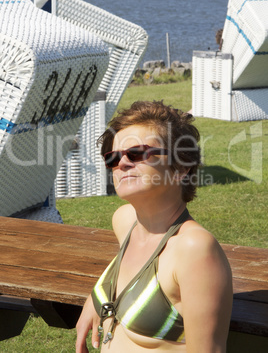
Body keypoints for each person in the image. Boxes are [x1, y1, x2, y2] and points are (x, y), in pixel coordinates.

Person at [76, 100, 233, 353]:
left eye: (136, 153)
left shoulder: (194, 250)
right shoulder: (125, 221)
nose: (123, 164)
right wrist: (96, 300)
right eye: (114, 158)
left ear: (181, 167)